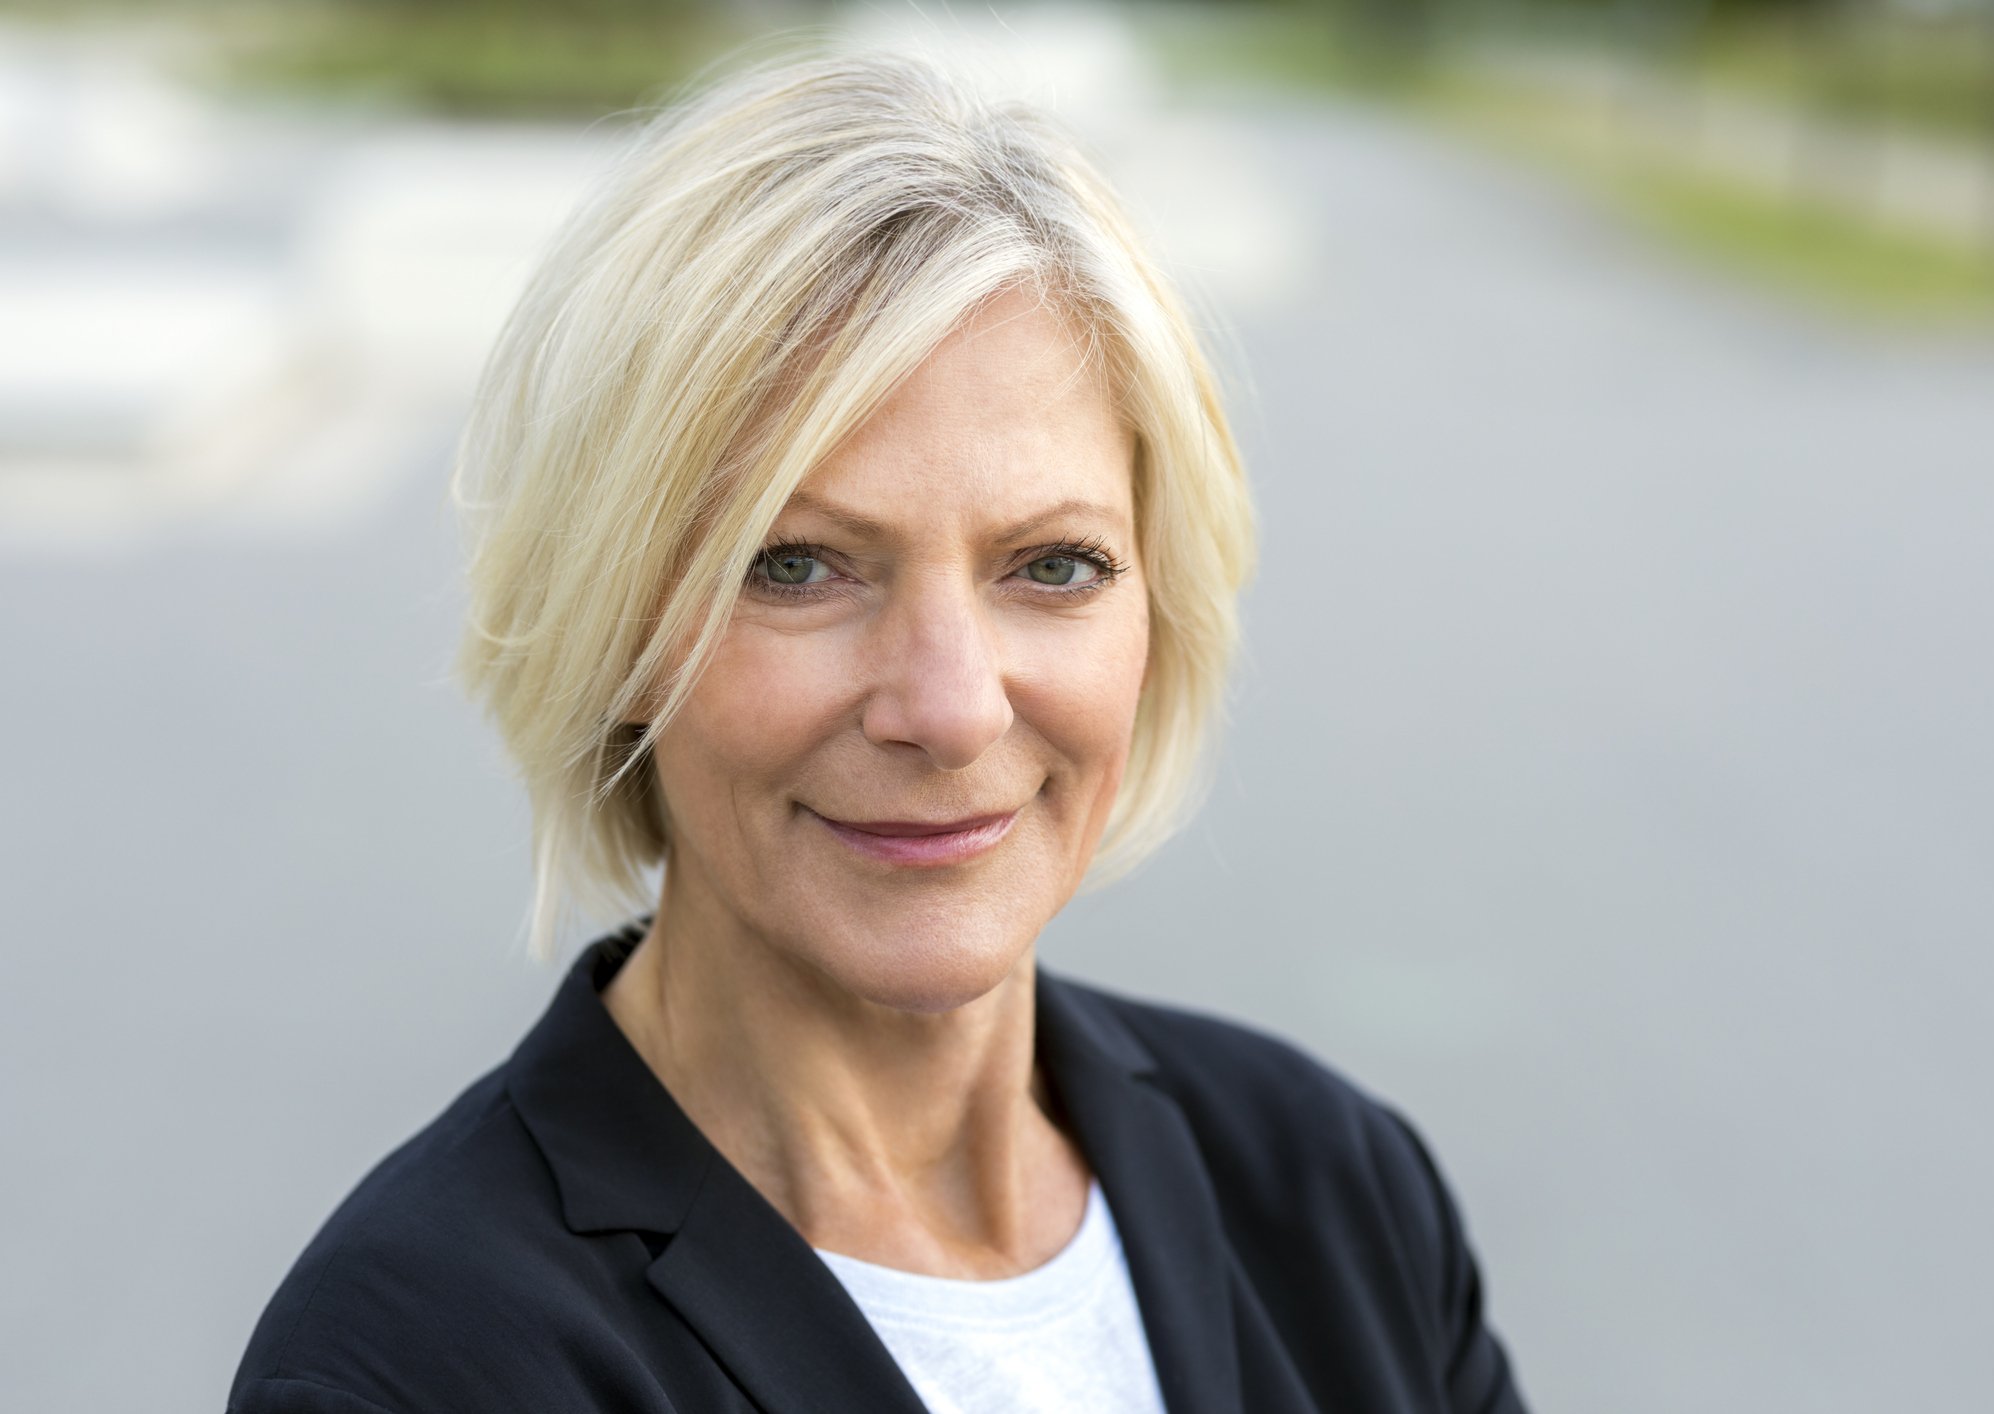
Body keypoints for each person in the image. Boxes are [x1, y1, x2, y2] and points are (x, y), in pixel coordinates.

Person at [228, 42, 1528, 1414]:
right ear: (606, 619)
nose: (951, 707)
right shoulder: (418, 1366)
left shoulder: (1336, 1191)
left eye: (1053, 564)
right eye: (796, 565)